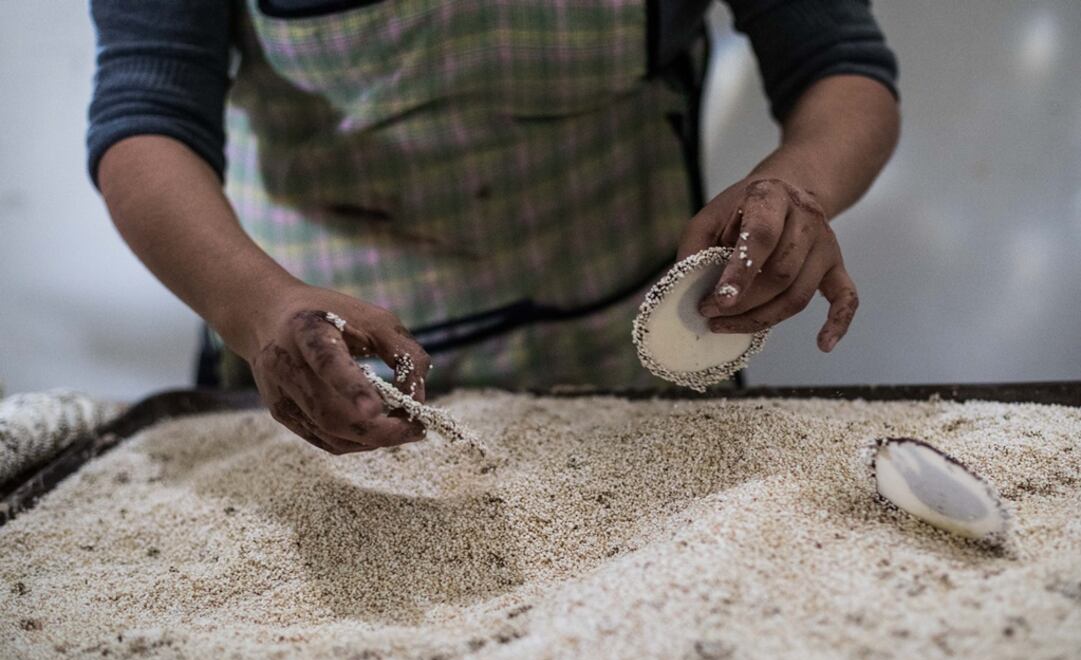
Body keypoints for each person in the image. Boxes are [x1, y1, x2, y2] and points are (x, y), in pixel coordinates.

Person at [88, 0, 899, 454]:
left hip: (627, 351)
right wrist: (258, 307)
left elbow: (837, 62)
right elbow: (147, 115)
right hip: (321, 358)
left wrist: (796, 189)